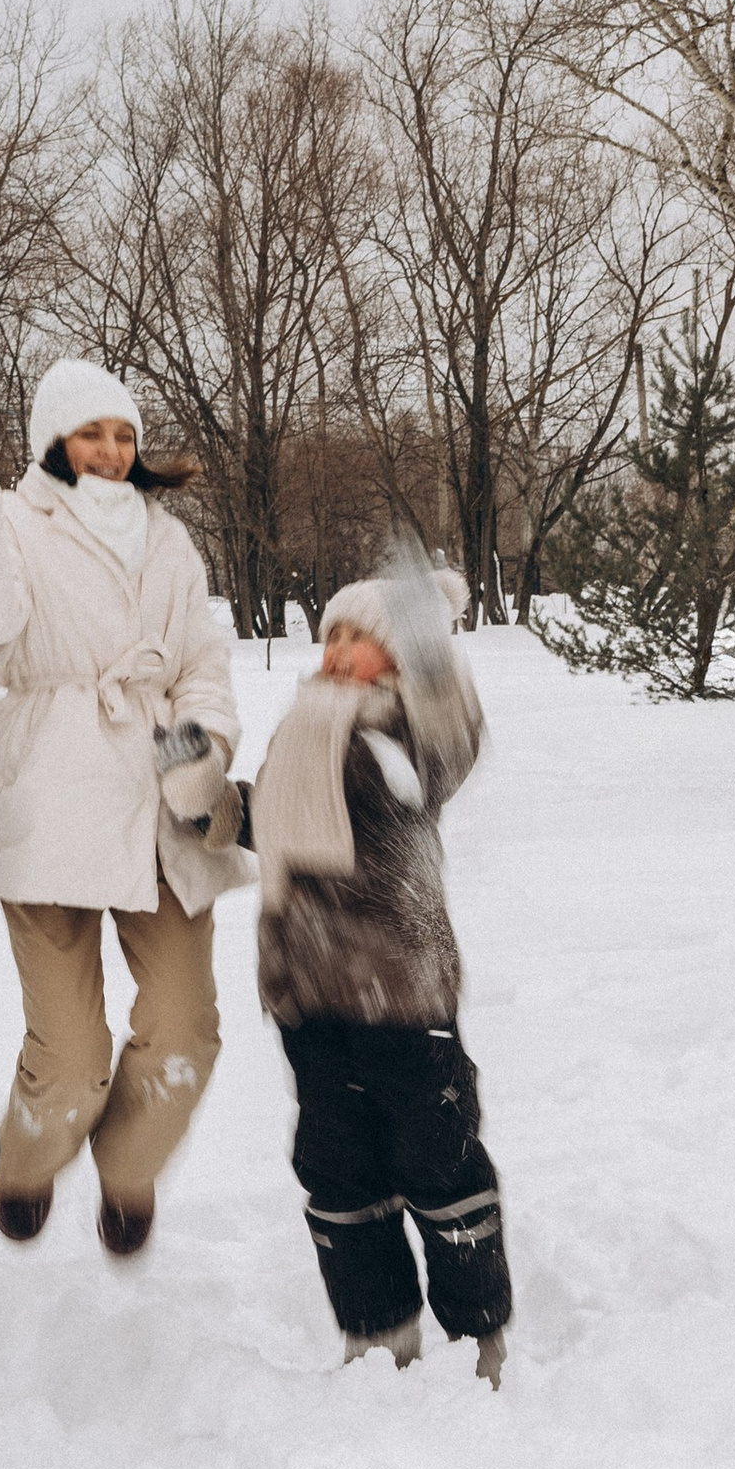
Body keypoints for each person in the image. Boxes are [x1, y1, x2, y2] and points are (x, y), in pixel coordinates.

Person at [0, 359, 249, 1256]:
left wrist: (201, 751)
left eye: (123, 434)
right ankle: (29, 1158)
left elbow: (202, 662)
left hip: (160, 790)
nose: (110, 450)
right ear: (54, 441)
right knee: (70, 1059)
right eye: (91, 432)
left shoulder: (169, 540)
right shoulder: (15, 519)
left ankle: (130, 1163)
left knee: (184, 1034)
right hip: (52, 785)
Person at [244, 560, 512, 1384]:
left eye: (359, 638)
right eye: (332, 636)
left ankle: (476, 1337)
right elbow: (274, 820)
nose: (336, 651)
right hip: (310, 992)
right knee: (338, 1170)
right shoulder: (304, 727)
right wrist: (207, 800)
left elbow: (451, 746)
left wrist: (431, 650)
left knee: (439, 1159)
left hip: (399, 994)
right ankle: (377, 1336)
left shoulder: (412, 729)